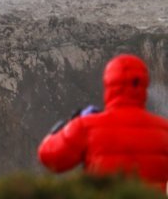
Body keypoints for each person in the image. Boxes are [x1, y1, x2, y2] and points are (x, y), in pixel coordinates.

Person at [38, 54, 168, 191]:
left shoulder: (86, 126)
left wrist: (67, 125)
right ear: (143, 85)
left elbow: (50, 157)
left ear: (108, 84)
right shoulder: (164, 131)